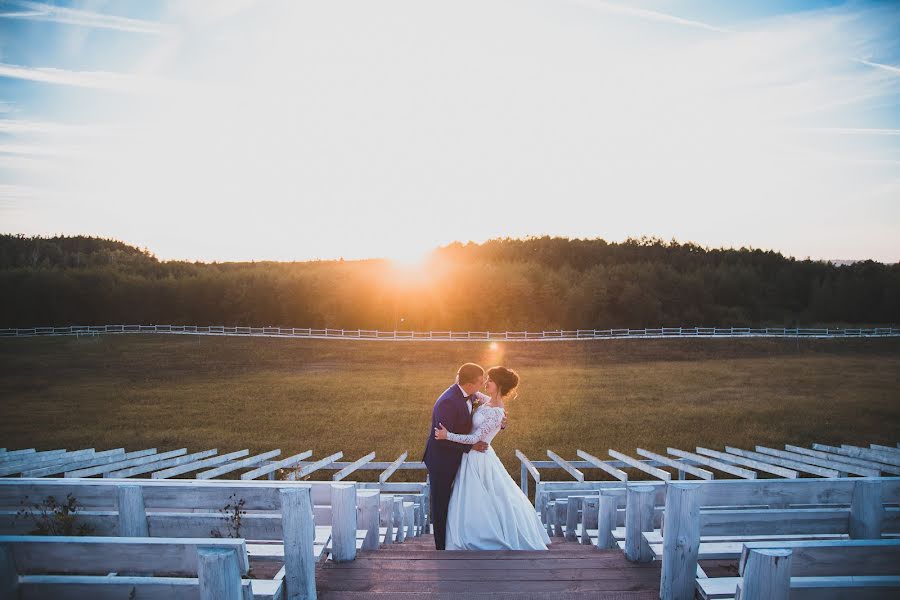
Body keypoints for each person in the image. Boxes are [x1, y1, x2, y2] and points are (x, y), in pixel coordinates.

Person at [436, 366, 550, 550]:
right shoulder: (488, 401)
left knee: (484, 498)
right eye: (486, 379)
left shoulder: (497, 413)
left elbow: (475, 439)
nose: (486, 383)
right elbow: (469, 391)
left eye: (490, 380)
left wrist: (447, 435)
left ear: (500, 385)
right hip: (471, 457)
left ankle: (485, 535)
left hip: (479, 458)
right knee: (473, 498)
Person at [422, 363, 490, 550]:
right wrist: (471, 446)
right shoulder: (448, 402)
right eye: (480, 380)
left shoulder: (470, 394)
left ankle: (455, 538)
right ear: (470, 383)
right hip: (442, 460)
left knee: (455, 499)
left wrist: (500, 418)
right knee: (441, 502)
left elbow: (493, 403)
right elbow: (441, 439)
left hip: (455, 456)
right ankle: (441, 546)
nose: (483, 383)